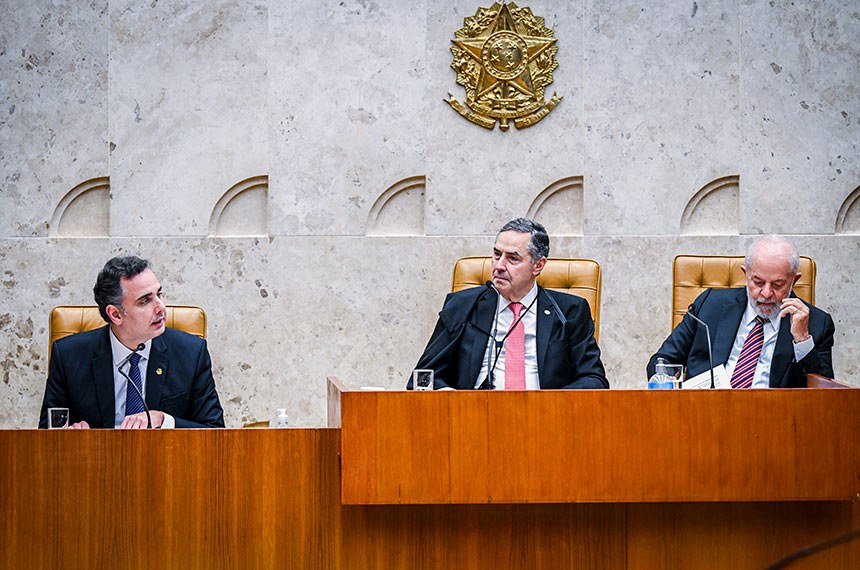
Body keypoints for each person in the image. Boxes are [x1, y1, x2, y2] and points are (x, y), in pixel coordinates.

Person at [409, 218, 608, 390]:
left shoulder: (569, 311)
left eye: (512, 258)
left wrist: (550, 404)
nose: (499, 266)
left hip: (545, 422)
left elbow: (594, 380)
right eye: (497, 254)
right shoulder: (463, 306)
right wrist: (454, 398)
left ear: (538, 265)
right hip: (474, 419)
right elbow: (423, 378)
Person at [39, 256, 225, 428]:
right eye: (145, 301)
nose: (161, 307)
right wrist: (67, 437)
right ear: (116, 314)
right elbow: (47, 432)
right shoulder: (69, 355)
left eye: (159, 294)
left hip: (166, 461)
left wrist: (164, 420)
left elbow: (215, 432)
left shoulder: (191, 353)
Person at [647, 236, 835, 388]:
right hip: (703, 417)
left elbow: (826, 398)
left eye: (778, 285)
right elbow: (663, 359)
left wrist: (802, 340)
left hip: (774, 422)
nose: (767, 293)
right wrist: (666, 385)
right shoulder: (710, 304)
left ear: (794, 280)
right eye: (758, 282)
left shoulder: (817, 324)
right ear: (745, 274)